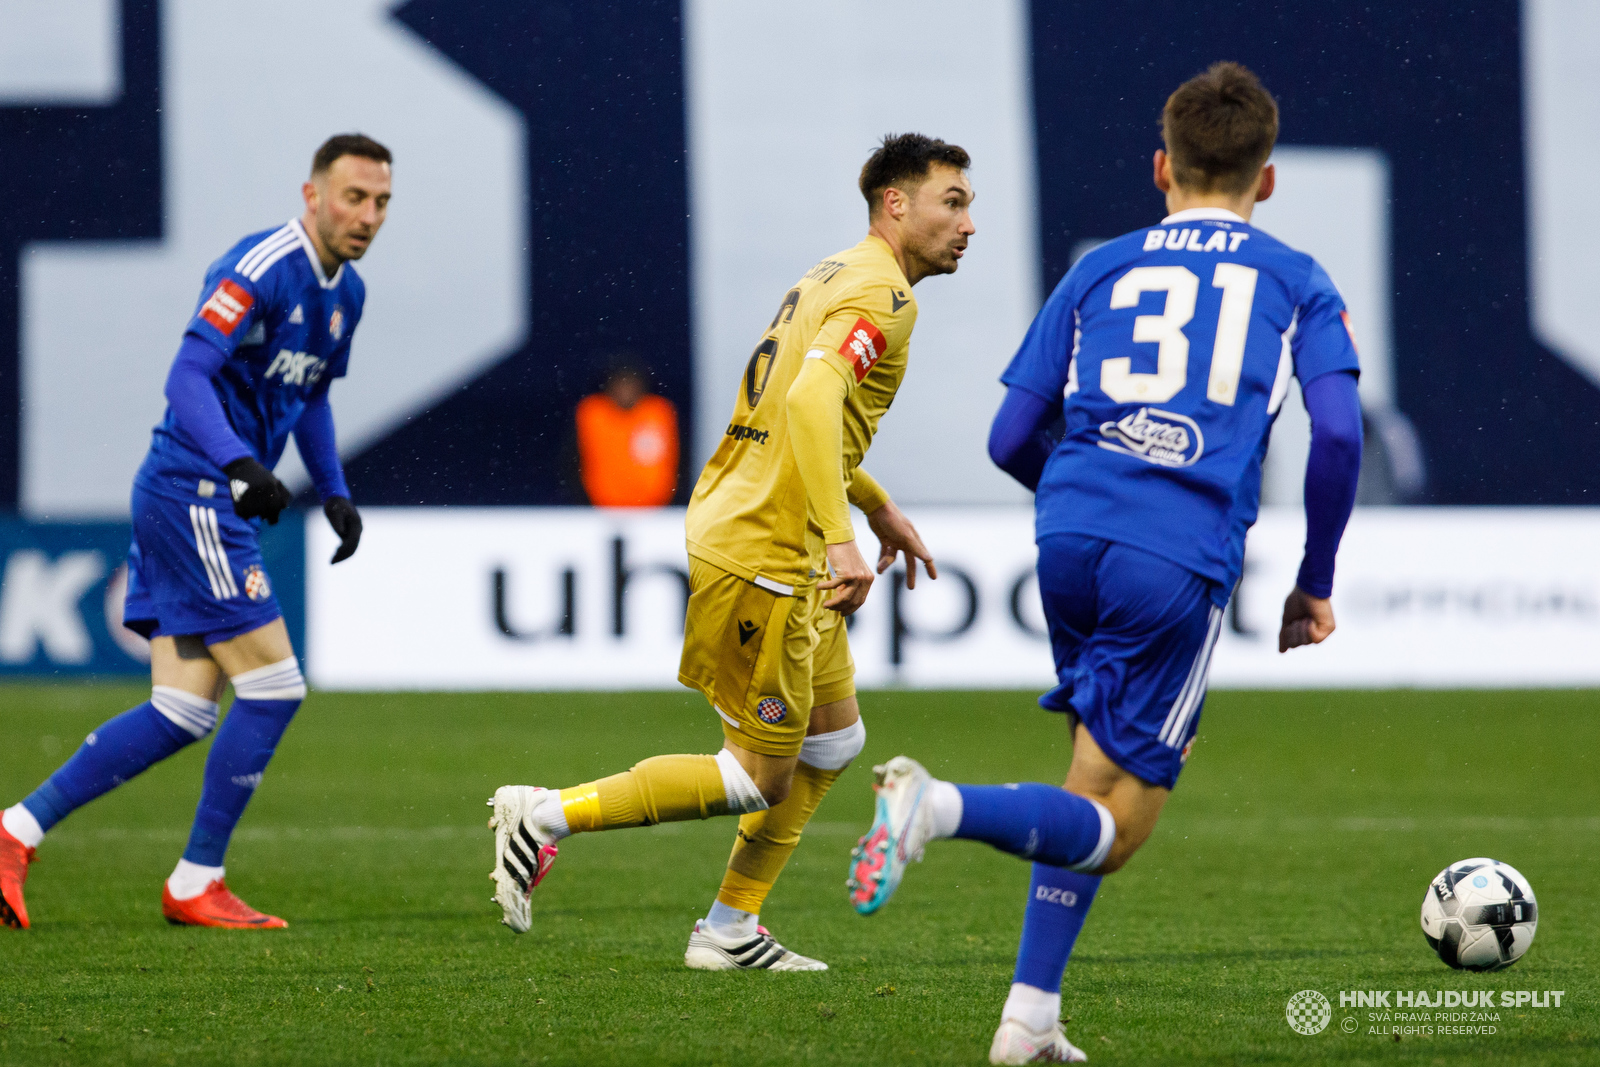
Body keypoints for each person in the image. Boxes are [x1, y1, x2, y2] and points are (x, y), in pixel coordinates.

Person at [846, 64, 1364, 1063]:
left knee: (1089, 770)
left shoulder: (1098, 268)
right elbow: (1337, 436)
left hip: (1068, 533)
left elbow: (1009, 436)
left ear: (1160, 167)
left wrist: (1088, 494)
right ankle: (934, 805)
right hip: (1174, 551)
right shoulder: (1294, 276)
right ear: (1267, 181)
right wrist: (1316, 578)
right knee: (1115, 828)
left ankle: (1028, 1018)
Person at [486, 133, 975, 969]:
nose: (969, 223)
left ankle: (729, 929)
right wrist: (842, 540)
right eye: (953, 202)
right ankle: (543, 813)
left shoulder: (829, 274)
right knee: (755, 776)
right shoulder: (886, 297)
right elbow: (816, 403)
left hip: (754, 523)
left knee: (833, 743)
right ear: (897, 203)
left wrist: (877, 503)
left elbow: (799, 415)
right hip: (767, 550)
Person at [0, 134, 390, 930]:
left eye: (381, 202)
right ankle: (195, 878)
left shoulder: (347, 293)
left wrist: (337, 490)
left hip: (203, 492)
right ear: (312, 194)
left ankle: (15, 831)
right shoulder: (260, 265)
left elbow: (311, 398)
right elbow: (186, 371)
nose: (368, 215)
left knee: (181, 711)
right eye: (353, 196)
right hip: (197, 491)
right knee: (276, 686)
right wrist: (242, 463)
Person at [575, 364, 680, 506]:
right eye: (620, 384)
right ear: (609, 387)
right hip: (600, 509)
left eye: (631, 384)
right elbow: (574, 461)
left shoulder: (658, 414)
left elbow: (678, 460)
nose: (625, 390)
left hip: (655, 510)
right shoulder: (592, 415)